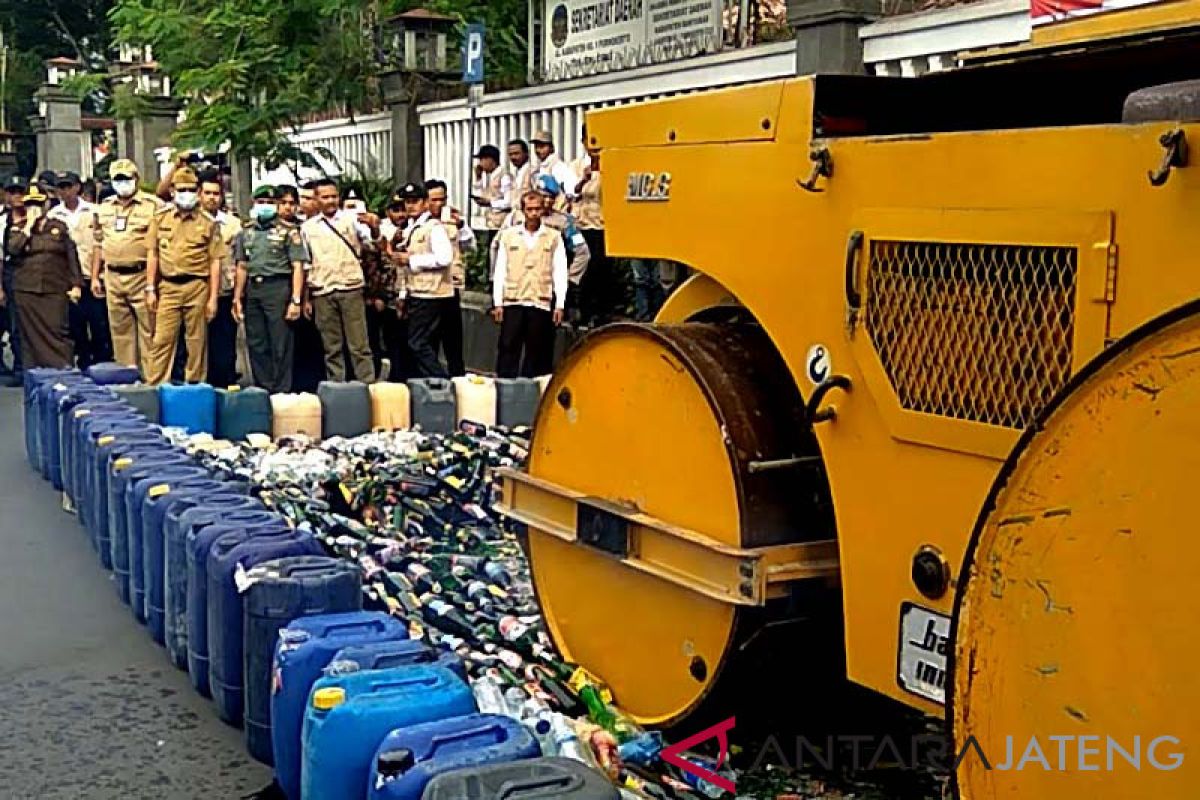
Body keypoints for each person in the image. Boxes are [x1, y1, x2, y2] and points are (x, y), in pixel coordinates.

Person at [144, 167, 223, 385]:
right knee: (161, 340)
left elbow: (215, 261)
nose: (186, 193)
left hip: (196, 285)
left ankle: (194, 387)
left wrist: (213, 298)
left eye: (191, 189)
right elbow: (153, 254)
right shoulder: (160, 219)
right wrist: (150, 288)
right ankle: (156, 386)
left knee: (196, 342)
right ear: (172, 191)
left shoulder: (208, 222)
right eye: (181, 189)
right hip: (168, 286)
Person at [233, 185, 308, 393]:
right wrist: (237, 298)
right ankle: (263, 387)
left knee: (280, 343)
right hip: (253, 289)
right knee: (256, 342)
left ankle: (282, 390)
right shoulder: (246, 233)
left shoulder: (288, 232)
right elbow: (241, 266)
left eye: (269, 203)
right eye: (260, 202)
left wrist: (296, 300)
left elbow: (297, 266)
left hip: (278, 288)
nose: (264, 206)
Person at [300, 178, 375, 383]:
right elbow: (306, 263)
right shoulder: (307, 228)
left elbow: (371, 244)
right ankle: (337, 388)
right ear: (316, 199)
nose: (331, 201)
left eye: (334, 196)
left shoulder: (351, 220)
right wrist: (306, 299)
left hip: (350, 287)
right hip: (322, 290)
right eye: (325, 197)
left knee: (359, 345)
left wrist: (374, 227)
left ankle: (367, 387)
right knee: (331, 347)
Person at [1, 186, 83, 368]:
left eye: (38, 203)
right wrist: (29, 225)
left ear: (46, 204)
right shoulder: (18, 227)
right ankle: (34, 376)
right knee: (28, 338)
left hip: (54, 289)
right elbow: (13, 249)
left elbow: (71, 256)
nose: (35, 208)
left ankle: (63, 371)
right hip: (26, 290)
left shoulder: (58, 226)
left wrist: (76, 284)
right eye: (30, 204)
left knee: (58, 332)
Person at [93, 158, 161, 374]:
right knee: (119, 331)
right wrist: (95, 276)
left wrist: (152, 284)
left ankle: (152, 379)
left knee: (150, 330)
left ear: (137, 179)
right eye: (118, 179)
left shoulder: (153, 206)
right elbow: (98, 243)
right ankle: (126, 378)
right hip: (112, 274)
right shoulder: (103, 208)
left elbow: (157, 248)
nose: (122, 183)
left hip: (141, 275)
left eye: (126, 178)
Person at [492, 192, 567, 378]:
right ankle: (506, 388)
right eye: (529, 209)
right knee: (508, 348)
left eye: (537, 209)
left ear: (543, 210)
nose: (533, 214)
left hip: (540, 300)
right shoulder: (509, 236)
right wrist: (498, 302)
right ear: (523, 211)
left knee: (538, 351)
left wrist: (560, 304)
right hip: (513, 299)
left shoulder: (553, 236)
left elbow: (560, 271)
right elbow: (500, 269)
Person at [50, 170, 112, 368]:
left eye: (69, 186)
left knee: (99, 322)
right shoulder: (53, 215)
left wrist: (96, 276)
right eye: (62, 187)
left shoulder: (94, 211)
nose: (66, 191)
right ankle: (83, 361)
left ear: (78, 187)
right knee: (75, 325)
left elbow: (99, 245)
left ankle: (102, 361)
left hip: (92, 274)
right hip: (67, 279)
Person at [394, 182, 454, 379]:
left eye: (415, 201)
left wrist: (413, 261)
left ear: (425, 203)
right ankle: (428, 380)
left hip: (432, 292)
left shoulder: (434, 228)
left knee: (417, 342)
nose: (410, 206)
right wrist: (403, 294)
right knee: (418, 342)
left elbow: (445, 258)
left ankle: (440, 379)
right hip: (416, 291)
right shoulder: (411, 228)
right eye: (407, 202)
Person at [199, 173, 243, 386]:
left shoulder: (233, 225)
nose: (211, 198)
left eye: (216, 194)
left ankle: (225, 384)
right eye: (207, 193)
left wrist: (237, 296)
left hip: (225, 290)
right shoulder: (192, 221)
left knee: (224, 344)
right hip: (197, 290)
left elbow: (240, 261)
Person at [426, 179, 472, 377]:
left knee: (453, 342)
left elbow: (470, 245)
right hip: (428, 289)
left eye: (442, 199)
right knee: (429, 342)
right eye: (434, 199)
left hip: (451, 286)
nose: (439, 204)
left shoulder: (453, 220)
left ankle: (457, 380)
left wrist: (460, 225)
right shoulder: (421, 223)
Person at [570, 127, 616, 324]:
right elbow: (571, 193)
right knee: (585, 266)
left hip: (603, 224)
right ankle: (583, 310)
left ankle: (601, 312)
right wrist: (583, 180)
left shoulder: (612, 165)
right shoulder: (577, 165)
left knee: (602, 268)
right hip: (583, 223)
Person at [0, 175, 25, 383]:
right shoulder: (1, 220)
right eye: (12, 192)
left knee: (25, 323)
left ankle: (23, 364)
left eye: (20, 191)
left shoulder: (35, 216)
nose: (17, 196)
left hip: (30, 274)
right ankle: (15, 367)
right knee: (10, 323)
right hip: (8, 273)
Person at [471, 144, 511, 251]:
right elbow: (480, 194)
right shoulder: (489, 176)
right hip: (492, 223)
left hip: (503, 224)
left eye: (482, 159)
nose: (480, 163)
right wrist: (478, 178)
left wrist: (490, 203)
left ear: (490, 160)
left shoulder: (504, 176)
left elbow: (509, 201)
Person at [531, 130, 577, 203]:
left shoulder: (558, 166)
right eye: (536, 147)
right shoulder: (540, 167)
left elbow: (571, 190)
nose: (538, 150)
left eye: (542, 146)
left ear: (551, 148)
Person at [506, 139, 535, 215]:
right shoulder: (515, 174)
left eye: (516, 153)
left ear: (526, 153)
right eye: (510, 154)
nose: (513, 157)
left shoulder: (533, 172)